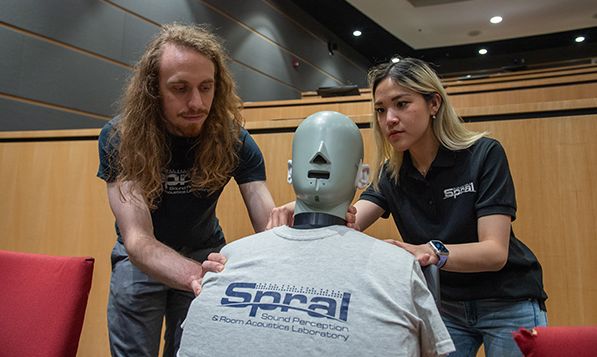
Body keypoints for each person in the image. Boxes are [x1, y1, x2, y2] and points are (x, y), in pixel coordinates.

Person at [269, 59, 548, 357]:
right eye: (380, 109)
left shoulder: (484, 154)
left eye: (401, 104)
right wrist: (306, 206)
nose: (389, 118)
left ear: (434, 104)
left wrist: (427, 251)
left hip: (508, 301)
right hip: (444, 306)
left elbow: (494, 252)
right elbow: (351, 220)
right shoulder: (391, 173)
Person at [178, 111, 455, 357]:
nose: (319, 156)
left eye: (336, 150)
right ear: (289, 171)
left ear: (363, 177)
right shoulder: (227, 260)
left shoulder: (399, 269)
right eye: (310, 148)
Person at [97, 22, 275, 357]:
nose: (197, 102)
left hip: (204, 253)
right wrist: (197, 277)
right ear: (154, 89)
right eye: (180, 88)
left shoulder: (233, 139)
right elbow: (137, 239)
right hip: (140, 262)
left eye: (206, 88)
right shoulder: (120, 138)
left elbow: (267, 224)